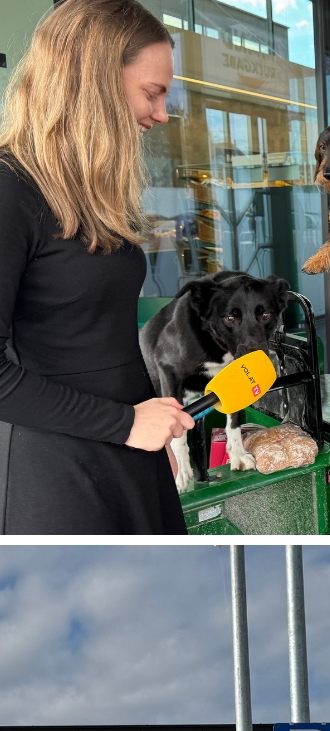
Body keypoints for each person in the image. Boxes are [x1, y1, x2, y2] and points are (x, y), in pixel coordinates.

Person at [0, 0, 196, 534]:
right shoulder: (9, 191)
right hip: (59, 473)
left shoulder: (86, 195)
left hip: (128, 449)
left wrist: (143, 426)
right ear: (94, 84)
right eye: (152, 93)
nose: (161, 114)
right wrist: (126, 423)